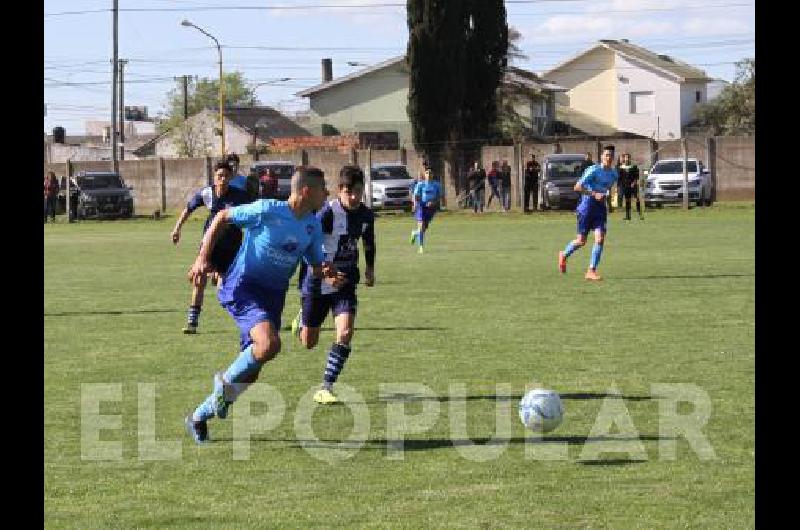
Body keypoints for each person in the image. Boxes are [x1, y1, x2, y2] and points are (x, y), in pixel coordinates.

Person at [184, 166, 345, 444]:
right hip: (243, 287)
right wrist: (202, 258)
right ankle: (222, 383)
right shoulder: (268, 209)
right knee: (270, 345)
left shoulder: (312, 224)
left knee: (253, 371)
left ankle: (199, 416)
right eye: (323, 189)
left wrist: (327, 271)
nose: (327, 194)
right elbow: (222, 217)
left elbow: (314, 263)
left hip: (273, 297)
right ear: (306, 191)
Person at [291, 165, 376, 404]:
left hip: (345, 281)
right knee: (309, 342)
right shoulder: (327, 213)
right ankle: (302, 320)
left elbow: (369, 242)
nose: (354, 196)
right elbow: (310, 245)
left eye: (358, 191)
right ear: (340, 190)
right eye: (349, 191)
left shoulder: (366, 215)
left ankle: (326, 386)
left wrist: (370, 269)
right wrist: (324, 272)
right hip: (317, 281)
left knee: (346, 332)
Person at [171, 161, 252, 334]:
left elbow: (253, 215)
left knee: (227, 284)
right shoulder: (207, 193)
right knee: (199, 279)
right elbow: (188, 209)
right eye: (219, 176)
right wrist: (177, 228)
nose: (222, 179)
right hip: (210, 243)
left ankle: (246, 319)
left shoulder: (239, 196)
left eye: (225, 176)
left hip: (231, 245)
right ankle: (192, 322)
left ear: (230, 177)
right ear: (214, 177)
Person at [558, 145, 619, 281]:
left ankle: (591, 271)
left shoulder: (614, 174)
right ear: (602, 156)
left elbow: (608, 190)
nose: (609, 158)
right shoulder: (593, 170)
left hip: (600, 209)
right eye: (607, 155)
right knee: (581, 241)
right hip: (586, 207)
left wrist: (609, 205)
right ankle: (564, 254)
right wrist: (594, 193)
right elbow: (577, 187)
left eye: (611, 156)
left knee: (600, 239)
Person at [409, 167, 442, 254]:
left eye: (430, 173)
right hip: (421, 207)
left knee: (423, 229)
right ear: (424, 174)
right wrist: (415, 205)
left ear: (433, 175)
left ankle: (414, 233)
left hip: (431, 208)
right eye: (427, 173)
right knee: (421, 226)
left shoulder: (437, 185)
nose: (429, 174)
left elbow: (439, 197)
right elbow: (416, 196)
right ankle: (421, 247)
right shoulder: (420, 184)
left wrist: (433, 202)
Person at [617, 153, 643, 221]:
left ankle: (639, 214)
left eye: (628, 158)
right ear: (624, 159)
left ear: (630, 159)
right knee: (627, 200)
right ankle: (628, 216)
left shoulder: (634, 167)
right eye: (625, 158)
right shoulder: (621, 168)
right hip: (625, 186)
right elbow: (620, 178)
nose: (626, 159)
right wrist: (619, 186)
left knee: (636, 199)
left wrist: (634, 183)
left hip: (633, 186)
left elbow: (636, 177)